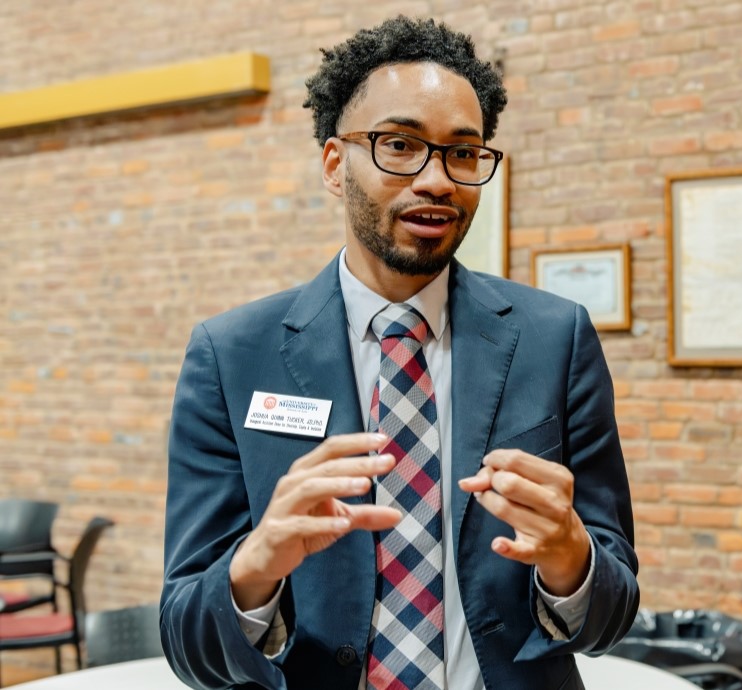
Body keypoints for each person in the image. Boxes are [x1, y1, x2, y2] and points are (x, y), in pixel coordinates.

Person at [160, 16, 638, 690]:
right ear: (334, 164)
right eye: (400, 145)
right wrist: (255, 568)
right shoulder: (232, 356)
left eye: (462, 153)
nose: (437, 179)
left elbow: (613, 611)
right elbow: (186, 637)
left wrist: (570, 560)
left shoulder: (555, 339)